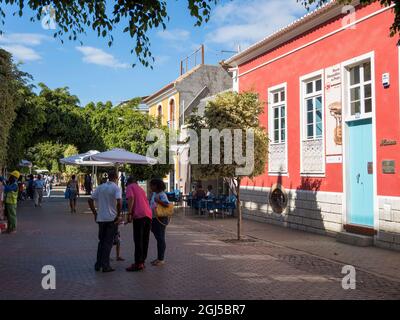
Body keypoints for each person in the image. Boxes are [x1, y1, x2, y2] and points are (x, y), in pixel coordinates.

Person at [88, 171, 122, 273]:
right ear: (116, 178)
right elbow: (119, 201)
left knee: (101, 242)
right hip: (111, 219)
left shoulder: (100, 187)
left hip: (101, 218)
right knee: (108, 243)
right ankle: (105, 265)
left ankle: (98, 264)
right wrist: (118, 215)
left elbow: (90, 200)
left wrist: (95, 213)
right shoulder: (116, 188)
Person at [125, 177, 153, 272]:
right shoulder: (140, 188)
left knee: (138, 239)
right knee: (145, 239)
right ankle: (142, 262)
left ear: (128, 182)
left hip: (139, 215)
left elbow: (131, 198)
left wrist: (129, 214)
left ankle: (138, 263)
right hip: (148, 215)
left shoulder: (130, 187)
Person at [149, 179, 170, 267]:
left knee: (160, 238)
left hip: (161, 219)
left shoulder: (162, 195)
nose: (150, 187)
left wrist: (158, 201)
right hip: (155, 218)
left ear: (156, 186)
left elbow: (167, 205)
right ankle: (159, 258)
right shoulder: (154, 194)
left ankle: (161, 259)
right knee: (158, 238)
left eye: (152, 185)